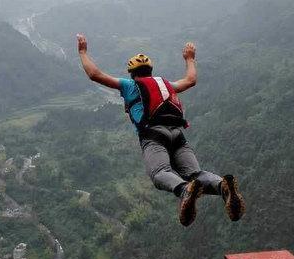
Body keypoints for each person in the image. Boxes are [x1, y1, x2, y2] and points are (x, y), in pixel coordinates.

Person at [76, 34, 245, 226]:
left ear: (133, 73)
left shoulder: (130, 85)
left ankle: (184, 190)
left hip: (153, 136)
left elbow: (95, 74)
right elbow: (190, 80)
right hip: (178, 136)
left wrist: (82, 52)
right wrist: (189, 58)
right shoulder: (166, 85)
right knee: (195, 174)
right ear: (150, 71)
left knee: (159, 173)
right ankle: (223, 186)